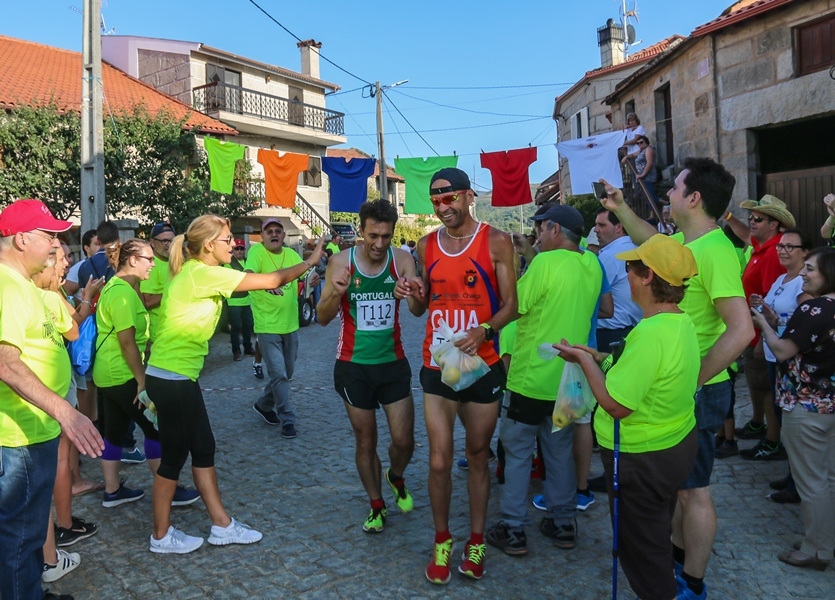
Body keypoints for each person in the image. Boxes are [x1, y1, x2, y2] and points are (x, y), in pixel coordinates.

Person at [600, 156, 754, 600]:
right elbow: (655, 247)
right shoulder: (691, 244)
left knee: (694, 492)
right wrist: (623, 208)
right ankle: (674, 565)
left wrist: (695, 378)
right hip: (687, 384)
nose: (667, 194)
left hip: (700, 388)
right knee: (679, 489)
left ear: (694, 198)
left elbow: (741, 329)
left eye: (674, 188)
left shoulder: (717, 252)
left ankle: (693, 584)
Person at [144, 214, 324, 554]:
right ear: (209, 245)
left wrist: (267, 282)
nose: (234, 244)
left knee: (204, 448)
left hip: (177, 376)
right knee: (174, 458)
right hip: (172, 377)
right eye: (228, 240)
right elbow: (271, 276)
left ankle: (221, 525)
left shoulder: (196, 272)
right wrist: (311, 261)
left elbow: (260, 282)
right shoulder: (202, 273)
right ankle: (161, 535)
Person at [556, 233, 701, 600]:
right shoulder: (678, 322)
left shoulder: (650, 333)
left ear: (648, 276)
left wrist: (586, 363)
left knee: (642, 551)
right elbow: (638, 372)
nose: (628, 278)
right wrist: (596, 354)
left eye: (630, 269)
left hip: (642, 456)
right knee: (655, 532)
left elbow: (617, 404)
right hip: (673, 445)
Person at [407, 167, 518, 584]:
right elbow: (423, 309)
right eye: (435, 200)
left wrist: (485, 329)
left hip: (482, 365)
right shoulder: (426, 244)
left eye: (449, 198)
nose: (442, 207)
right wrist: (416, 298)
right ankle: (441, 540)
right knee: (437, 460)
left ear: (469, 196)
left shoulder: (496, 240)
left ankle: (475, 541)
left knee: (476, 455)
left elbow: (511, 305)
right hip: (438, 363)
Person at [0, 199, 104, 600]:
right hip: (16, 439)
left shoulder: (22, 285)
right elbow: (5, 363)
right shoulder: (7, 286)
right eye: (49, 236)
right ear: (23, 239)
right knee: (18, 541)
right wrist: (66, 411)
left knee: (25, 539)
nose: (56, 246)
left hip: (32, 432)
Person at [487, 205, 601, 558]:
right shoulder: (591, 266)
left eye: (541, 228)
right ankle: (564, 522)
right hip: (568, 379)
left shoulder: (545, 265)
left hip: (530, 379)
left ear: (554, 229)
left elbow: (515, 306)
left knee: (519, 453)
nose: (537, 234)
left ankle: (513, 527)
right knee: (559, 454)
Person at [316, 199, 421, 534]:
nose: (378, 244)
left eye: (386, 236)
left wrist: (412, 294)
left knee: (404, 441)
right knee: (366, 440)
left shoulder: (402, 259)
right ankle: (377, 505)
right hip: (353, 366)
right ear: (361, 231)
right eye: (373, 236)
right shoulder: (340, 263)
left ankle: (396, 475)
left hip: (392, 364)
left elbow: (420, 310)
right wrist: (335, 293)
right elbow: (321, 317)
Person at [94, 238, 200, 509]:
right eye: (149, 259)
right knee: (156, 428)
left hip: (108, 373)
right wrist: (141, 379)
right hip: (122, 373)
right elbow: (127, 340)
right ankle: (169, 490)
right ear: (132, 260)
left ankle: (112, 491)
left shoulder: (122, 287)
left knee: (115, 431)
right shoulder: (122, 292)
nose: (154, 264)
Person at [750, 247, 835, 571]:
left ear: (828, 273)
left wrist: (762, 323)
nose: (803, 274)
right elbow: (810, 343)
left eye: (810, 269)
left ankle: (816, 550)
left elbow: (784, 350)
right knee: (829, 478)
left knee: (811, 482)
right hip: (830, 406)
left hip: (805, 408)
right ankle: (825, 540)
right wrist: (775, 320)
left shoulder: (814, 308)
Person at [722, 196, 795, 461]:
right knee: (757, 382)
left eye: (758, 219)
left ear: (775, 224)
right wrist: (730, 218)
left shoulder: (773, 252)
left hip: (761, 331)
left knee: (766, 386)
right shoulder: (762, 245)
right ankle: (758, 423)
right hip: (752, 329)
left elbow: (769, 299)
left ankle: (773, 441)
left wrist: (763, 338)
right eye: (751, 217)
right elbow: (745, 235)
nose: (752, 222)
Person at [249, 218, 319, 439]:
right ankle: (287, 419)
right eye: (269, 231)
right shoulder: (257, 253)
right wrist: (265, 284)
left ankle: (263, 404)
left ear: (283, 235)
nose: (274, 234)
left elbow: (306, 275)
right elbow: (249, 275)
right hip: (267, 325)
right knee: (278, 373)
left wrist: (313, 279)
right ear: (262, 236)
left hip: (290, 324)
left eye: (278, 231)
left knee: (286, 373)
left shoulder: (291, 255)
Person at [758, 229, 813, 504]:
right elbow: (777, 315)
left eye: (791, 246)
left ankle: (799, 482)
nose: (783, 250)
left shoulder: (806, 284)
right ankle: (792, 475)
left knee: (792, 421)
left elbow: (804, 323)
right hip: (774, 355)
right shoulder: (781, 278)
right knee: (782, 418)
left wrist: (774, 321)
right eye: (781, 246)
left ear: (805, 252)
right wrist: (766, 313)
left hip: (791, 358)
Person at [140, 222, 175, 346]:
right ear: (152, 242)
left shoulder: (175, 261)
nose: (168, 245)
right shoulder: (151, 265)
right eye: (164, 241)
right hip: (159, 336)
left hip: (177, 332)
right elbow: (147, 301)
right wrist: (174, 292)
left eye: (172, 241)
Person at [226, 238, 254, 361]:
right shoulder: (228, 263)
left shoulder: (249, 262)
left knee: (248, 325)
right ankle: (236, 351)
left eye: (241, 248)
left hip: (247, 300)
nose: (239, 251)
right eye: (237, 249)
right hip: (233, 301)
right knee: (236, 327)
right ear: (233, 250)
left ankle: (248, 348)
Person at [63, 228, 99, 302]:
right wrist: (85, 304)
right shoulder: (79, 268)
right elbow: (65, 295)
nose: (102, 247)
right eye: (97, 244)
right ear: (87, 248)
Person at [629, 135, 659, 205]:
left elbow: (649, 163)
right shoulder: (641, 151)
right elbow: (633, 155)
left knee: (649, 196)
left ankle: (653, 213)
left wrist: (642, 174)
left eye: (641, 142)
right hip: (643, 178)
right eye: (638, 143)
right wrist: (626, 157)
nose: (639, 144)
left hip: (648, 177)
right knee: (646, 196)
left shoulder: (649, 149)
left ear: (646, 142)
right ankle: (660, 205)